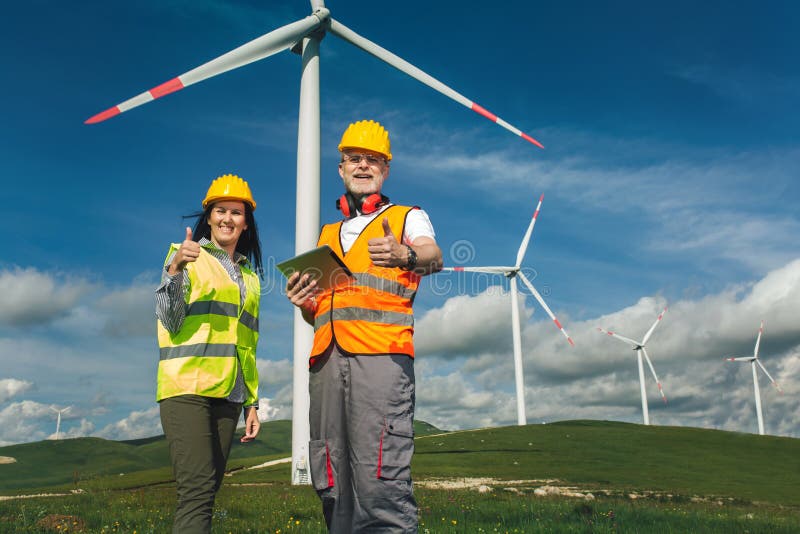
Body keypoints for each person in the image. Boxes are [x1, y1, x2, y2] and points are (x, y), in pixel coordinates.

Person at [287, 120, 443, 533]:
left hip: (381, 359)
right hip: (326, 363)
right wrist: (306, 303)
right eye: (354, 158)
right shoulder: (327, 234)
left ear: (385, 169)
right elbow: (318, 312)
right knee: (331, 480)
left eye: (372, 160)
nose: (362, 166)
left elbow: (433, 257)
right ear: (341, 168)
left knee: (380, 483)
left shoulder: (408, 217)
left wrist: (405, 255)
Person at [155, 173, 263, 533]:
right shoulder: (186, 255)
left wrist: (252, 403)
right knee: (197, 491)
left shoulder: (250, 278)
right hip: (186, 387)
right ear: (209, 217)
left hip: (229, 394)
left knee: (208, 490)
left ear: (246, 223)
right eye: (220, 210)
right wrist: (174, 271)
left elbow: (247, 345)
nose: (227, 218)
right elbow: (169, 319)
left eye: (236, 212)